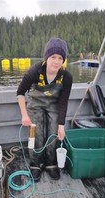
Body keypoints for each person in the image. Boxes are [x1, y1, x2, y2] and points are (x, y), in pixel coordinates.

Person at [16, 37, 73, 182]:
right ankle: (35, 164)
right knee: (36, 134)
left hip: (53, 105)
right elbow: (20, 93)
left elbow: (63, 102)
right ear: (46, 57)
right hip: (35, 105)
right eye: (53, 57)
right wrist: (24, 115)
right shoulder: (35, 71)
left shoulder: (66, 76)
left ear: (63, 60)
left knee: (53, 132)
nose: (56, 61)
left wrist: (61, 125)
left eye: (60, 58)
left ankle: (50, 163)